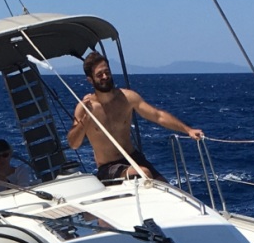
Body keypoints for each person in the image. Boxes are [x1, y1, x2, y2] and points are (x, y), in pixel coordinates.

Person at [66, 51, 204, 182]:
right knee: (143, 173)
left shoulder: (127, 98)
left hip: (134, 159)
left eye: (107, 72)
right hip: (108, 168)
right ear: (90, 80)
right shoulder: (84, 108)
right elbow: (74, 144)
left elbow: (158, 116)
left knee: (167, 188)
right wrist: (86, 118)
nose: (105, 77)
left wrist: (188, 130)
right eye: (99, 74)